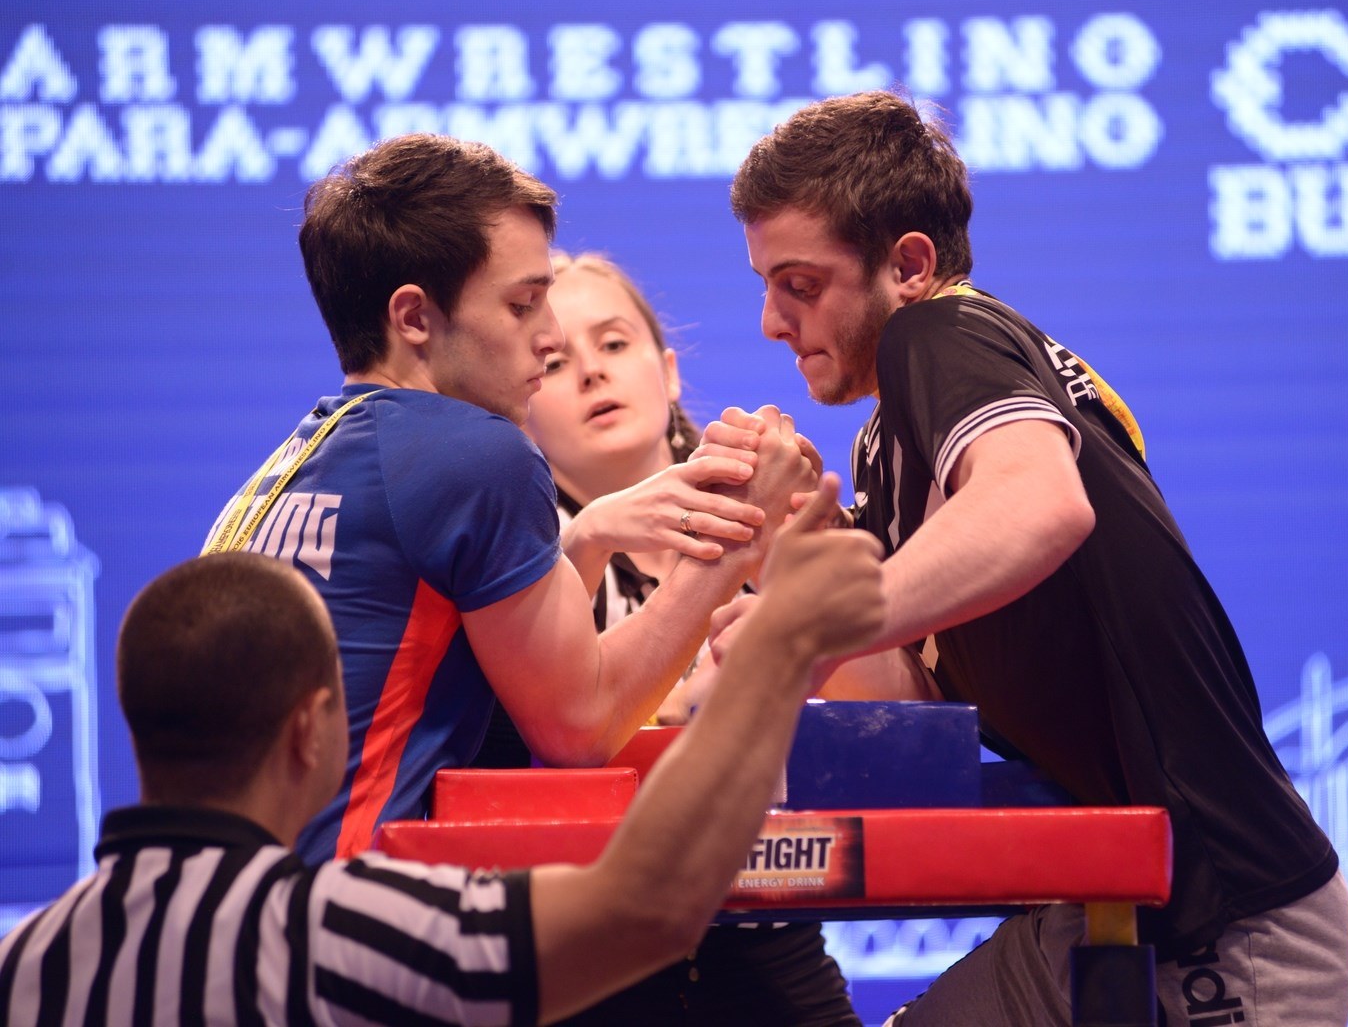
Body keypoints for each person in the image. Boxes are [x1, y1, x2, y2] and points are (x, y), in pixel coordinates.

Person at [717, 91, 1348, 1027]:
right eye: (766, 286)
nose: (775, 322)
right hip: (1105, 908)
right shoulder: (888, 443)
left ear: (907, 265)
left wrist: (811, 620)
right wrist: (782, 553)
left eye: (801, 285)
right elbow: (910, 687)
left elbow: (1040, 505)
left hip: (1230, 926)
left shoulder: (941, 333)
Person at [0, 492, 884, 1024]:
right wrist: (778, 645)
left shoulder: (25, 962)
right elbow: (648, 906)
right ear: (313, 730)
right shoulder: (342, 931)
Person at [200, 133, 815, 864]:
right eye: (524, 305)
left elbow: (496, 696)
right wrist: (741, 530)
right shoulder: (474, 451)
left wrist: (582, 541)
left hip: (220, 918)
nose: (551, 338)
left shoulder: (290, 468)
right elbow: (578, 731)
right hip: (332, 926)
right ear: (415, 319)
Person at [473, 251, 861, 1025]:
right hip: (589, 943)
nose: (590, 372)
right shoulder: (514, 551)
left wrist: (814, 563)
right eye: (554, 361)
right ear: (522, 404)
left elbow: (870, 722)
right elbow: (563, 738)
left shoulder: (772, 507)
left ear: (670, 371)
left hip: (768, 927)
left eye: (614, 344)